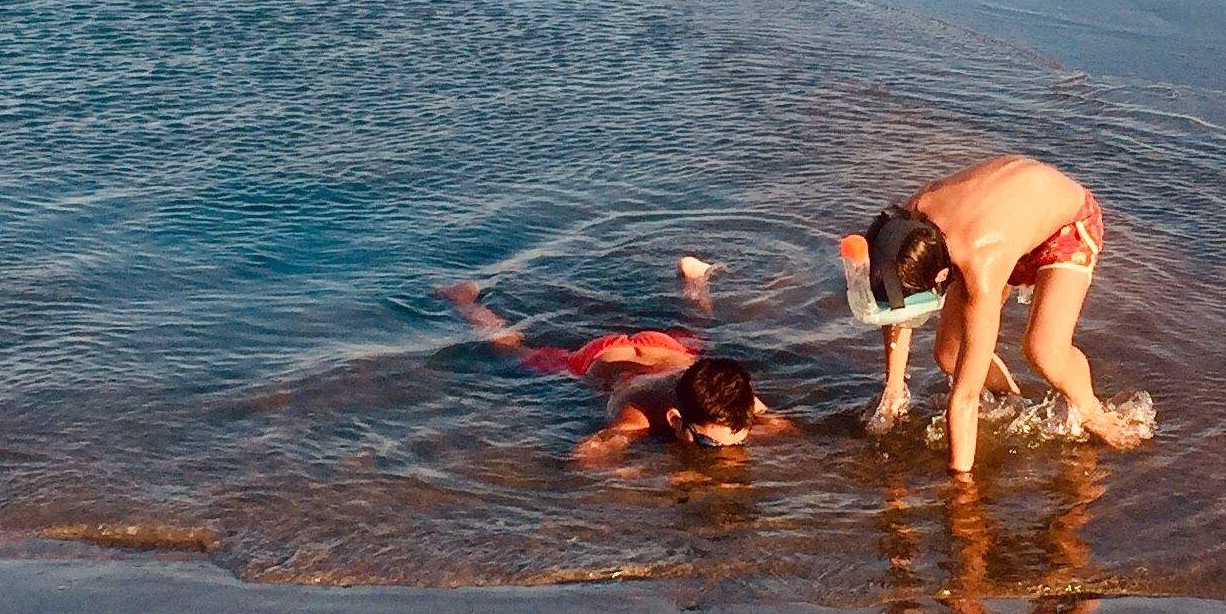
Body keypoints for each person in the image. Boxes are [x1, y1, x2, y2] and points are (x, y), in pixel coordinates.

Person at [859, 154, 1141, 475]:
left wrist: (962, 486)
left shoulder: (981, 268)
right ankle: (1011, 402)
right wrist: (894, 387)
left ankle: (1093, 411)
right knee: (949, 356)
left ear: (939, 277)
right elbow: (895, 296)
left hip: (1066, 226)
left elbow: (963, 398)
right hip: (1007, 222)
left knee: (1044, 350)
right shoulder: (903, 224)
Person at [445, 281, 792, 462]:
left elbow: (778, 425)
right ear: (673, 420)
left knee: (696, 332)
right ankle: (462, 300)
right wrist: (630, 469)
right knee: (509, 350)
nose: (722, 452)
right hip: (604, 357)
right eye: (706, 444)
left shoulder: (734, 402)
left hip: (665, 350)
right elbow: (590, 451)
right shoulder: (639, 414)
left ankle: (694, 281)